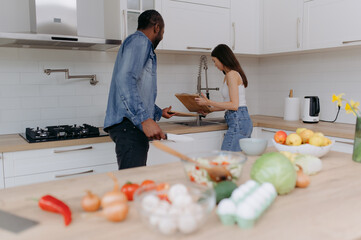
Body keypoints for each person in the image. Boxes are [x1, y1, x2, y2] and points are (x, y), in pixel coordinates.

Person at [104, 10, 174, 170]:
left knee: (134, 182)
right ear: (157, 27)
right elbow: (125, 79)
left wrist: (157, 112)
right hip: (130, 126)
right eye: (163, 32)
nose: (162, 37)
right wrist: (144, 119)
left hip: (129, 126)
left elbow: (135, 88)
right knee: (133, 184)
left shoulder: (135, 43)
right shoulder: (140, 41)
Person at [195, 44, 253, 151]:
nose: (215, 64)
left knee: (226, 160)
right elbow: (229, 104)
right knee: (233, 161)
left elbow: (234, 106)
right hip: (240, 120)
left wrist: (209, 102)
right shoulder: (229, 75)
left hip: (238, 121)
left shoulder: (232, 75)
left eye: (214, 61)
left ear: (222, 59)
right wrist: (210, 110)